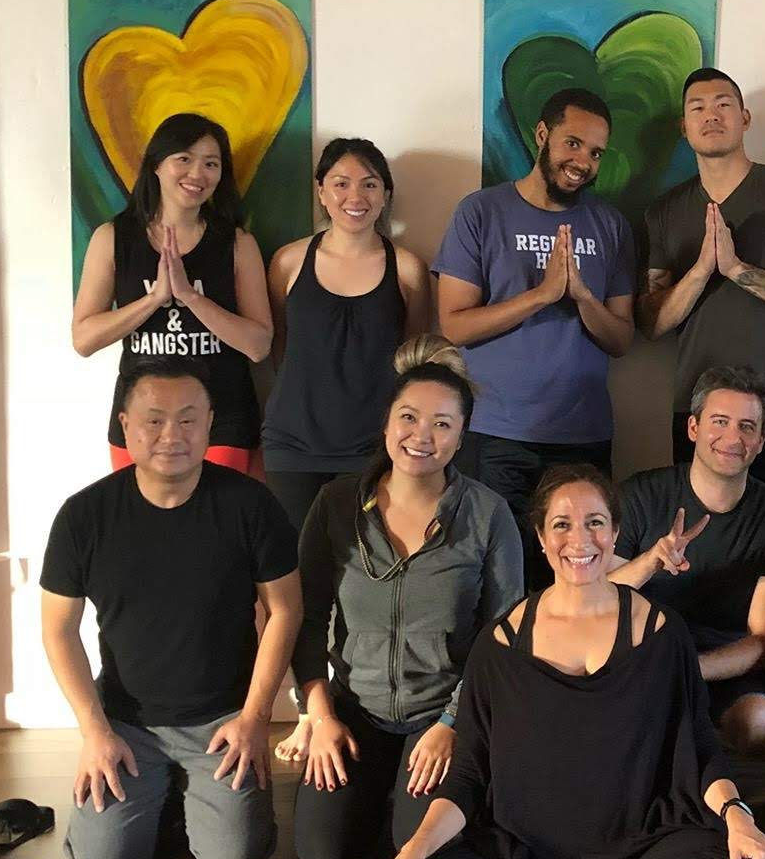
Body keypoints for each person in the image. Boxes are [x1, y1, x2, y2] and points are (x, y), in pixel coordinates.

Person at [364, 467, 765, 859]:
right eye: (561, 525)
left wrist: (740, 819)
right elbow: (468, 776)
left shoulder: (660, 632)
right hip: (522, 852)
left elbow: (700, 748)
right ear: (541, 538)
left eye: (595, 523)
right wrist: (412, 852)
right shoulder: (499, 643)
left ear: (615, 533)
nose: (579, 540)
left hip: (642, 843)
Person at [39, 366, 300, 859]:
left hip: (223, 720)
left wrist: (255, 718)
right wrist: (94, 731)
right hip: (126, 723)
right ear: (125, 425)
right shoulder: (83, 516)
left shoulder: (251, 505)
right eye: (154, 420)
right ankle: (163, 801)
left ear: (209, 424)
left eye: (187, 420)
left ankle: (190, 799)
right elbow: (58, 630)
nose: (171, 436)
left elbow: (286, 610)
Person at [283, 337, 522, 859]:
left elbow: (502, 636)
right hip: (353, 709)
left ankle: (432, 789)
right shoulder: (336, 504)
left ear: (461, 436)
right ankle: (380, 787)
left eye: (442, 424)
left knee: (420, 853)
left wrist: (455, 722)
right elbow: (306, 618)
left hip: (441, 713)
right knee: (324, 856)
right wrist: (319, 715)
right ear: (387, 423)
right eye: (409, 417)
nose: (422, 436)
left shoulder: (488, 514)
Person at [434, 88, 636, 583]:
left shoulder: (610, 226)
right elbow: (454, 325)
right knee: (498, 579)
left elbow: (621, 340)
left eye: (596, 153)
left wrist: (582, 297)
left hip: (583, 438)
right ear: (542, 135)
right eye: (573, 144)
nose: (583, 162)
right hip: (497, 433)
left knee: (576, 580)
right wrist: (542, 295)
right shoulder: (480, 212)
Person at [637, 68, 765, 504]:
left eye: (723, 104)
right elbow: (651, 324)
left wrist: (736, 269)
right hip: (697, 409)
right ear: (684, 126)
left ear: (744, 118)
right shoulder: (664, 211)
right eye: (698, 108)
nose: (711, 115)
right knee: (698, 532)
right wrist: (700, 272)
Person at [611, 366, 765, 757]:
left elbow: (763, 642)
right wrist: (651, 561)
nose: (733, 438)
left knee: (758, 723)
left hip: (730, 666)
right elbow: (598, 599)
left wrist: (687, 668)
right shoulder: (639, 495)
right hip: (647, 656)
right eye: (720, 421)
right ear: (693, 428)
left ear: (761, 441)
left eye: (747, 427)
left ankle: (703, 757)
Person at [72, 112, 273, 472]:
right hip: (141, 418)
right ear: (156, 165)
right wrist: (154, 299)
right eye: (184, 159)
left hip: (221, 418)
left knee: (220, 509)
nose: (197, 173)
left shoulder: (237, 243)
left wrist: (191, 297)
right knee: (141, 511)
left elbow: (259, 346)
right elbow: (84, 339)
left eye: (211, 164)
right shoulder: (113, 238)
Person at [260, 137, 434, 533]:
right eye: (341, 183)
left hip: (374, 447)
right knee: (295, 560)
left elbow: (415, 362)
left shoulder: (408, 268)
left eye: (369, 184)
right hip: (293, 444)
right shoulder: (288, 262)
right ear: (321, 192)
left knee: (364, 562)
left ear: (386, 194)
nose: (355, 196)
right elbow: (279, 347)